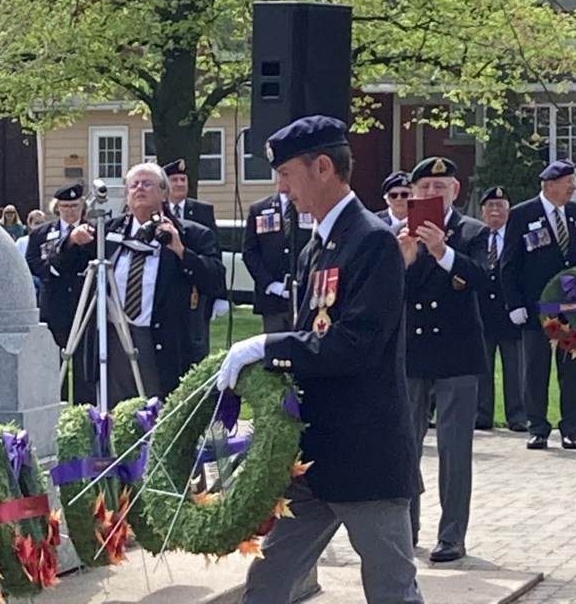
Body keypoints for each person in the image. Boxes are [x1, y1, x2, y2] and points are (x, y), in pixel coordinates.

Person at [216, 115, 423, 604]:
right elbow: (315, 336)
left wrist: (271, 346)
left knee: (392, 591)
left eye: (287, 174)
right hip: (315, 460)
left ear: (323, 167)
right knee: (266, 585)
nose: (281, 188)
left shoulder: (370, 241)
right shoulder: (318, 245)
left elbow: (357, 344)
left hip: (366, 458)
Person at [55, 164, 225, 409]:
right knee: (113, 413)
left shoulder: (191, 234)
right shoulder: (109, 232)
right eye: (133, 185)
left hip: (161, 340)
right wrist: (71, 241)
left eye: (147, 184)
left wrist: (180, 251)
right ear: (126, 195)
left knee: (156, 410)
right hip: (112, 338)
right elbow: (60, 268)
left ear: (164, 194)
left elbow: (215, 279)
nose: (139, 189)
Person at [399, 155, 489, 562]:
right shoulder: (399, 235)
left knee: (454, 450)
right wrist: (407, 258)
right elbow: (391, 294)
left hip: (457, 352)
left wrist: (442, 252)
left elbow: (482, 280)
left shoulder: (472, 232)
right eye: (424, 190)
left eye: (440, 188)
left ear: (455, 191)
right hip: (413, 355)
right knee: (406, 445)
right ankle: (406, 527)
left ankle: (452, 535)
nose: (432, 194)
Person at [500, 160, 576, 450]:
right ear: (549, 185)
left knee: (572, 373)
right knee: (535, 371)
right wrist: (514, 304)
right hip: (536, 311)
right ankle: (538, 427)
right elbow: (509, 264)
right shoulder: (522, 214)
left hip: (571, 312)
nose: (573, 187)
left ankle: (571, 429)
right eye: (568, 181)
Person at [25, 184, 95, 405]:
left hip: (84, 301)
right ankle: (55, 404)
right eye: (65, 206)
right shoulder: (42, 233)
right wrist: (52, 270)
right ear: (57, 208)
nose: (70, 211)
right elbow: (33, 262)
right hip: (54, 303)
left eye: (74, 206)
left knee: (84, 363)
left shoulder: (93, 231)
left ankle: (86, 409)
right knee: (53, 360)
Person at [162, 158, 229, 363]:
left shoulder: (202, 211)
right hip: (169, 284)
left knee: (197, 340)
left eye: (183, 179)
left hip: (197, 285)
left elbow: (213, 252)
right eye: (175, 180)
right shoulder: (157, 212)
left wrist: (220, 294)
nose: (181, 184)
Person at [475, 186, 525, 432]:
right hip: (482, 313)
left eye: (500, 205)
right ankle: (482, 414)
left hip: (510, 313)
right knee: (482, 368)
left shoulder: (517, 237)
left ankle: (517, 416)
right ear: (482, 211)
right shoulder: (476, 237)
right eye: (490, 206)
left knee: (515, 368)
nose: (495, 210)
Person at [242, 174, 314, 333]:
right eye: (281, 175)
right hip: (272, 300)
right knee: (275, 350)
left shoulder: (310, 206)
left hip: (305, 295)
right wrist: (270, 284)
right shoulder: (259, 209)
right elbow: (250, 252)